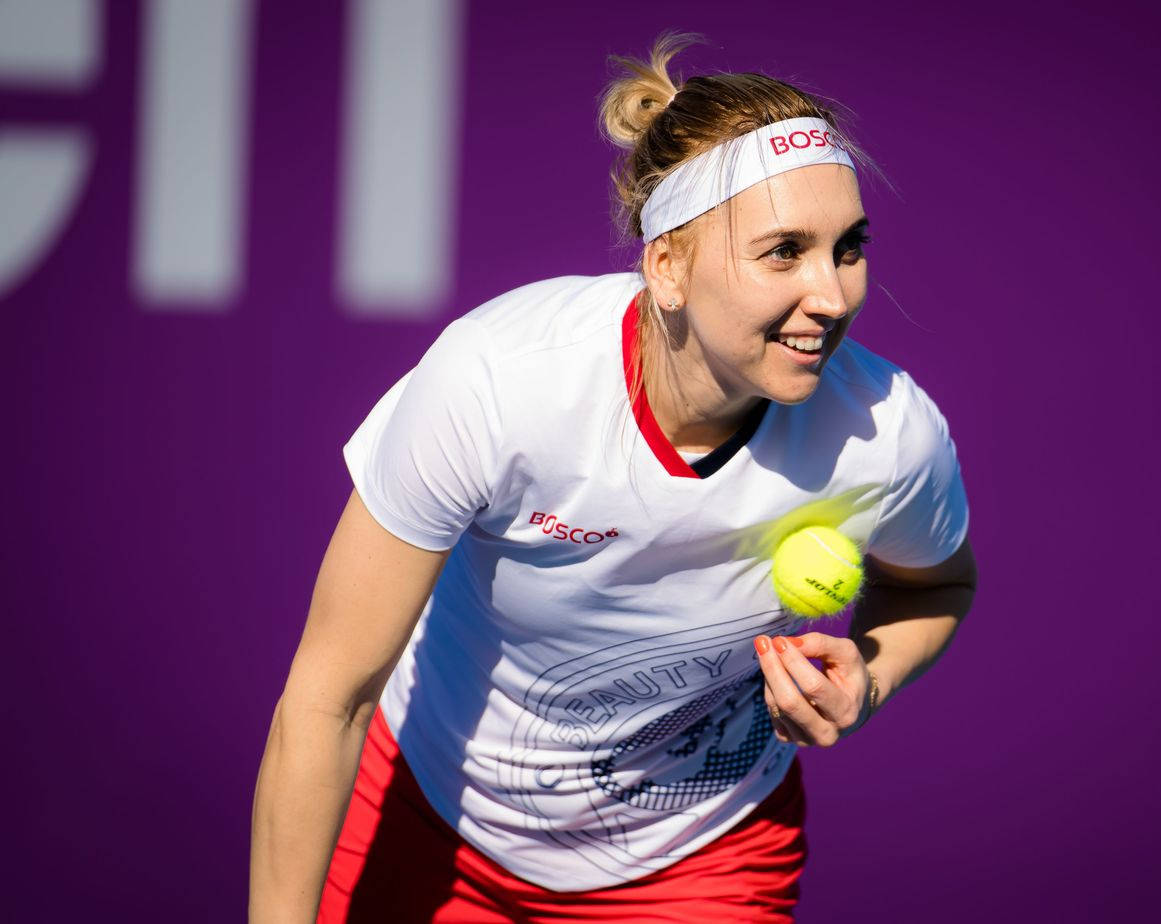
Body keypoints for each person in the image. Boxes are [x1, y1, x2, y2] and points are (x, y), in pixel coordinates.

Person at [249, 30, 978, 923]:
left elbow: (938, 581)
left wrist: (869, 675)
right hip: (429, 813)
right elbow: (330, 699)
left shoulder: (888, 434)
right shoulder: (498, 381)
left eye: (848, 247)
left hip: (704, 859)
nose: (832, 296)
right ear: (667, 266)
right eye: (784, 251)